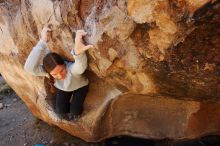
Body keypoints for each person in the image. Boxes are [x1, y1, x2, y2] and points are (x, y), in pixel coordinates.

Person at [24, 26, 93, 120]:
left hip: (80, 87)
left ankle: (75, 111)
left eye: (62, 70)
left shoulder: (71, 69)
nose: (60, 75)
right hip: (63, 88)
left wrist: (78, 53)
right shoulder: (47, 73)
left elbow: (80, 67)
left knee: (75, 111)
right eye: (55, 74)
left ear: (64, 65)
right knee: (60, 110)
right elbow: (29, 68)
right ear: (49, 73)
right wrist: (42, 42)